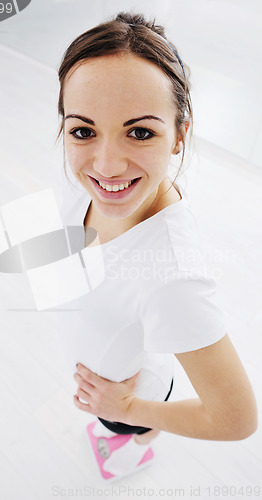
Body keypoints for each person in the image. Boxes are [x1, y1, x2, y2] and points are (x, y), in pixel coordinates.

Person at [54, 11, 258, 479]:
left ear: (179, 135)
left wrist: (128, 408)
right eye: (84, 130)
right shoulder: (81, 178)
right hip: (110, 363)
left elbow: (237, 419)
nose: (105, 166)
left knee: (127, 432)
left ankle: (137, 446)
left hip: (132, 394)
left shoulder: (172, 276)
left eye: (140, 132)